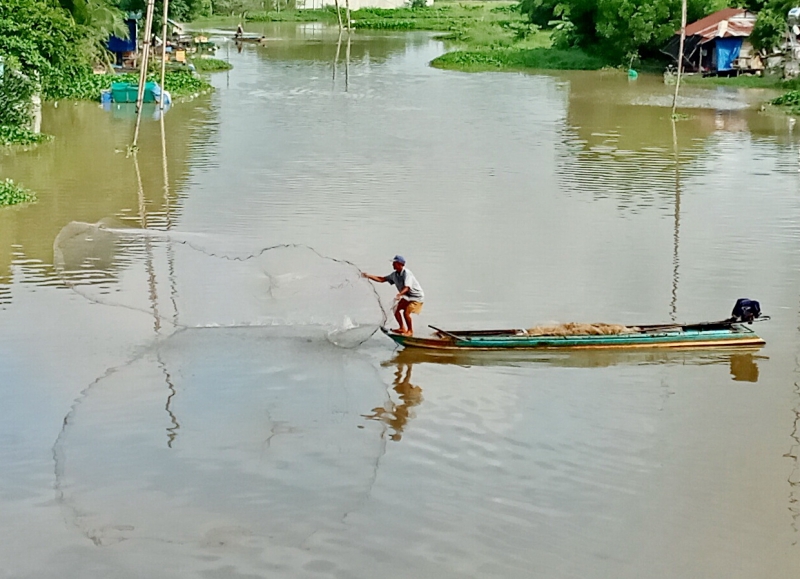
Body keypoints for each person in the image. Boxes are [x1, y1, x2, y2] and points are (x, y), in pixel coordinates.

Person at [362, 255, 424, 336]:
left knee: (406, 312)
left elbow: (407, 287)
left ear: (399, 264)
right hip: (407, 296)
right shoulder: (394, 275)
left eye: (394, 263)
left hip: (416, 297)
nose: (392, 265)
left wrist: (400, 294)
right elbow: (382, 279)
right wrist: (368, 276)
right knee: (395, 309)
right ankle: (402, 328)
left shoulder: (407, 274)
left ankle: (410, 331)